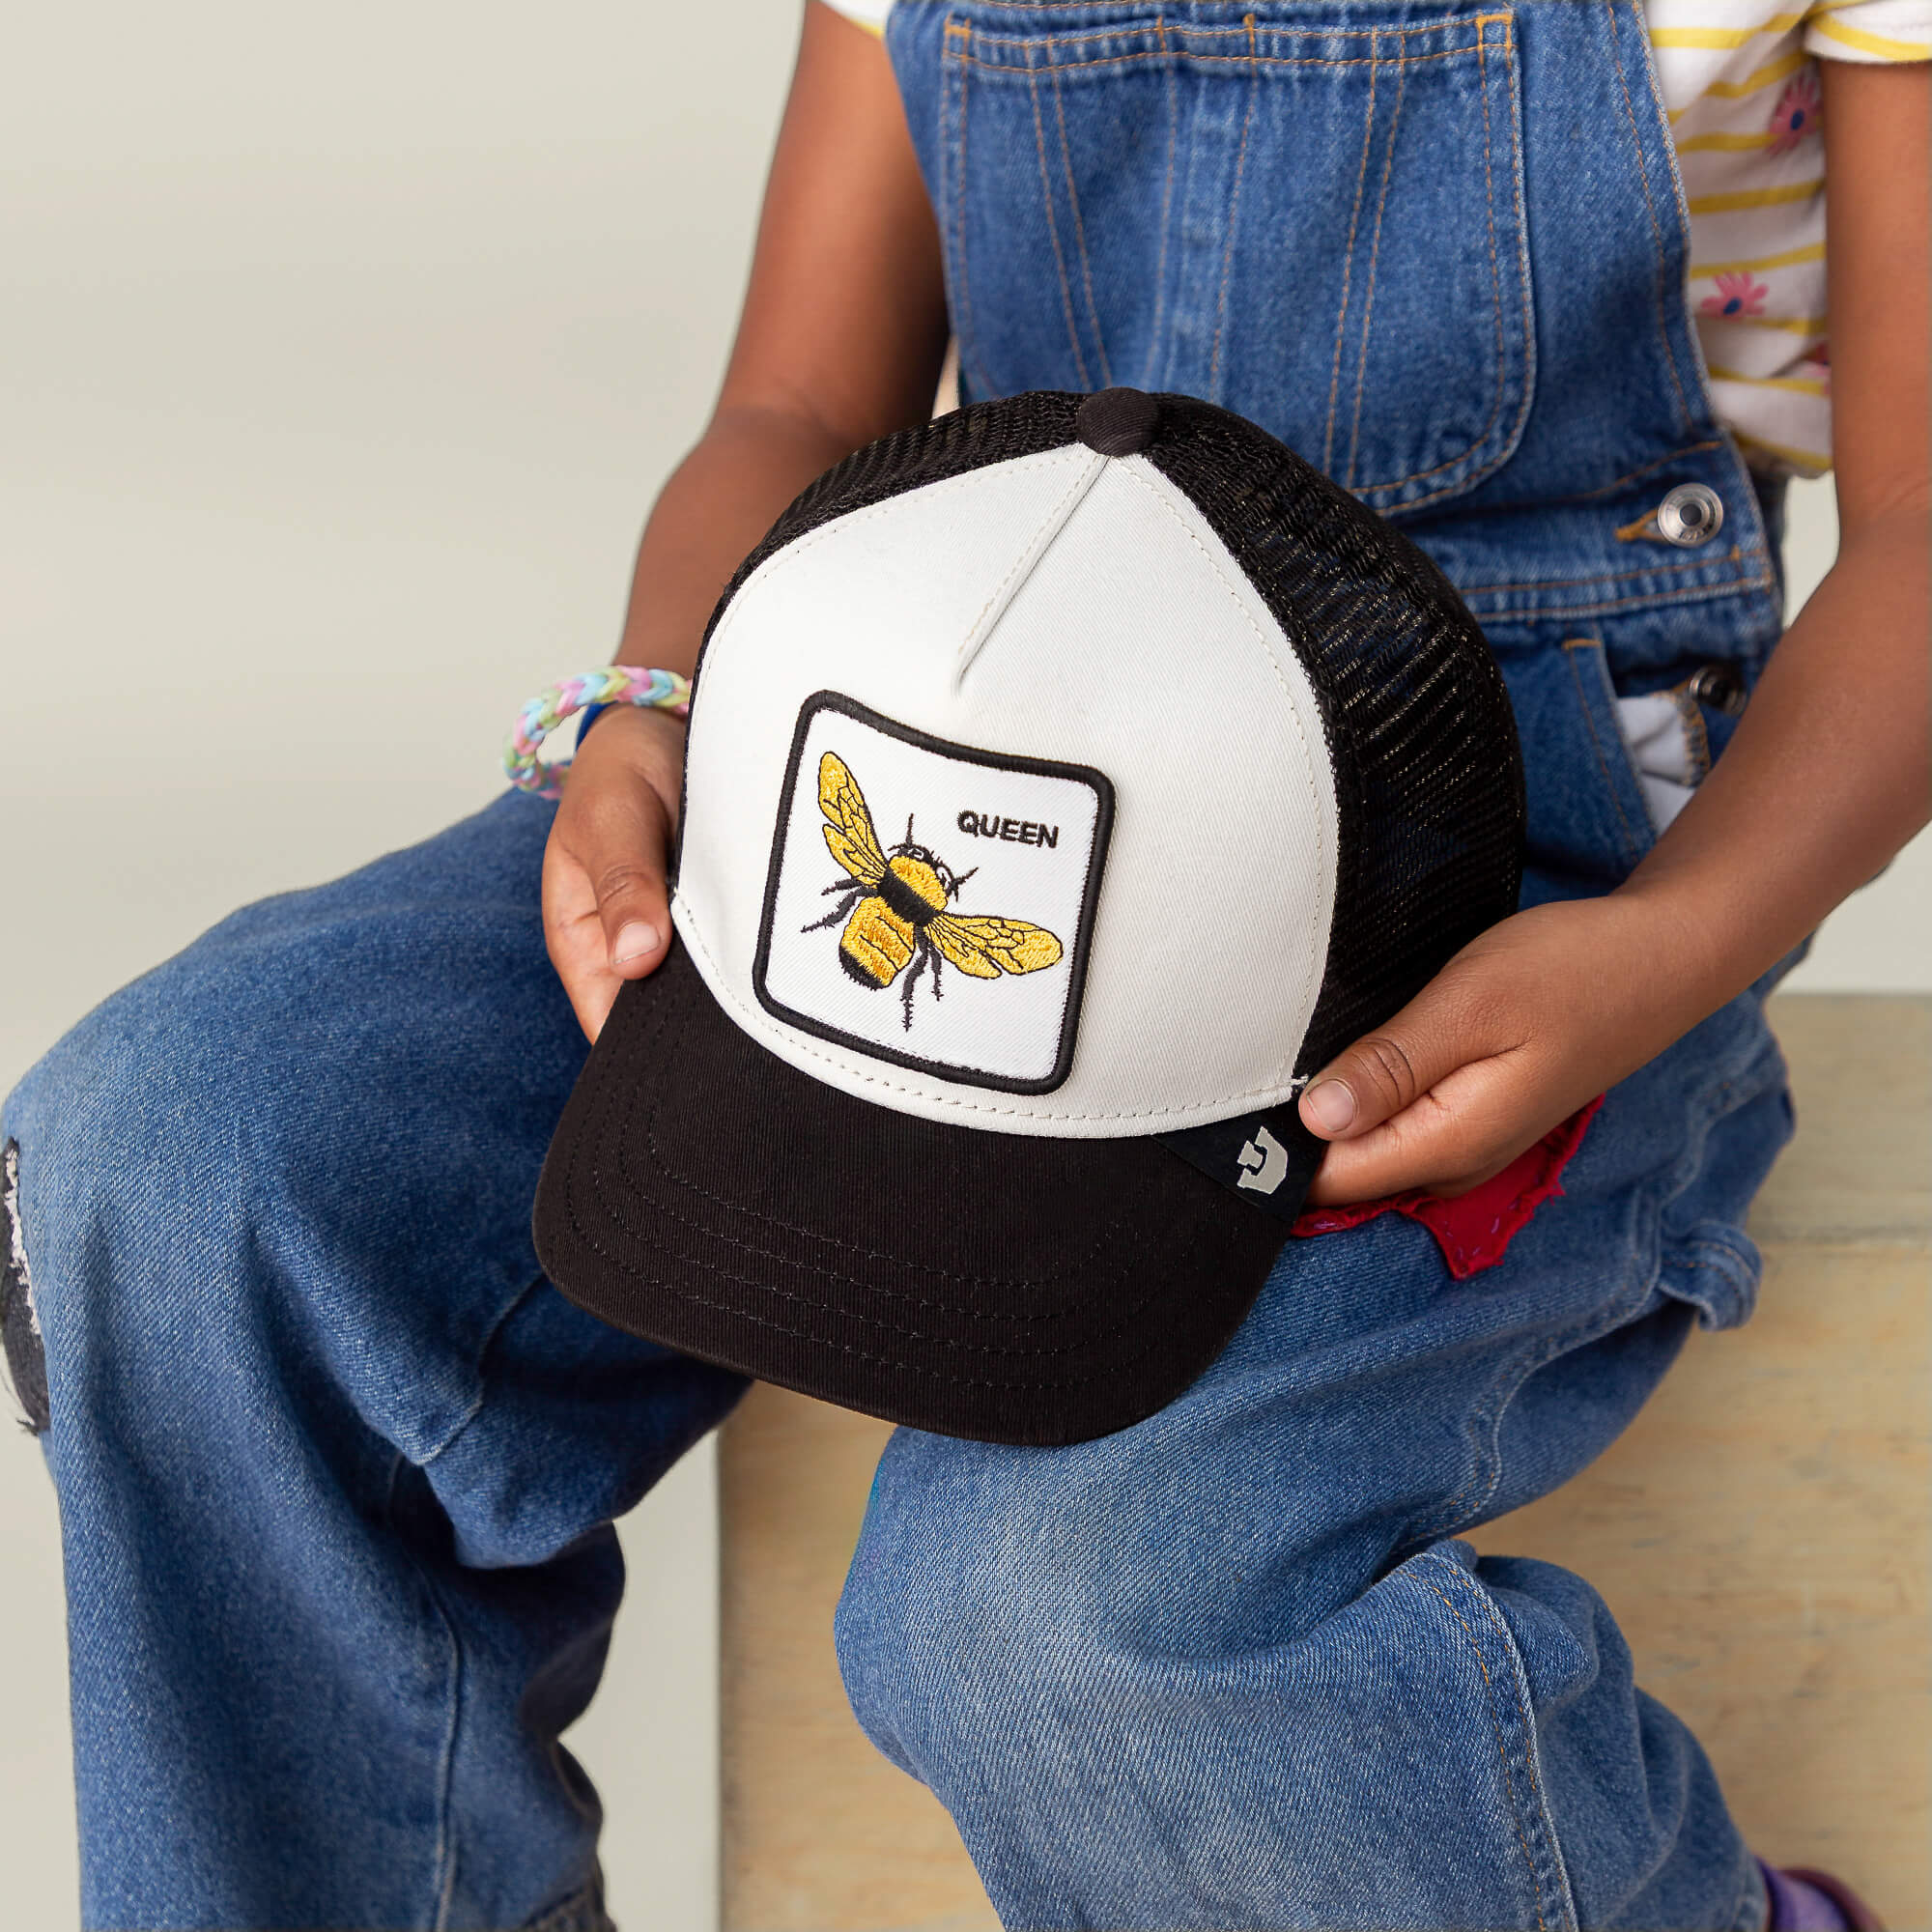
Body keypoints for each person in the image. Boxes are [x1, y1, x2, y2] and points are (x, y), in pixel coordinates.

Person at [3, 2, 1925, 1926]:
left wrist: (1675, 944)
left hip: (1504, 873)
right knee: (186, 1157)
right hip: (931, 756)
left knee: (1061, 1615)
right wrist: (661, 705)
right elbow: (798, 415)